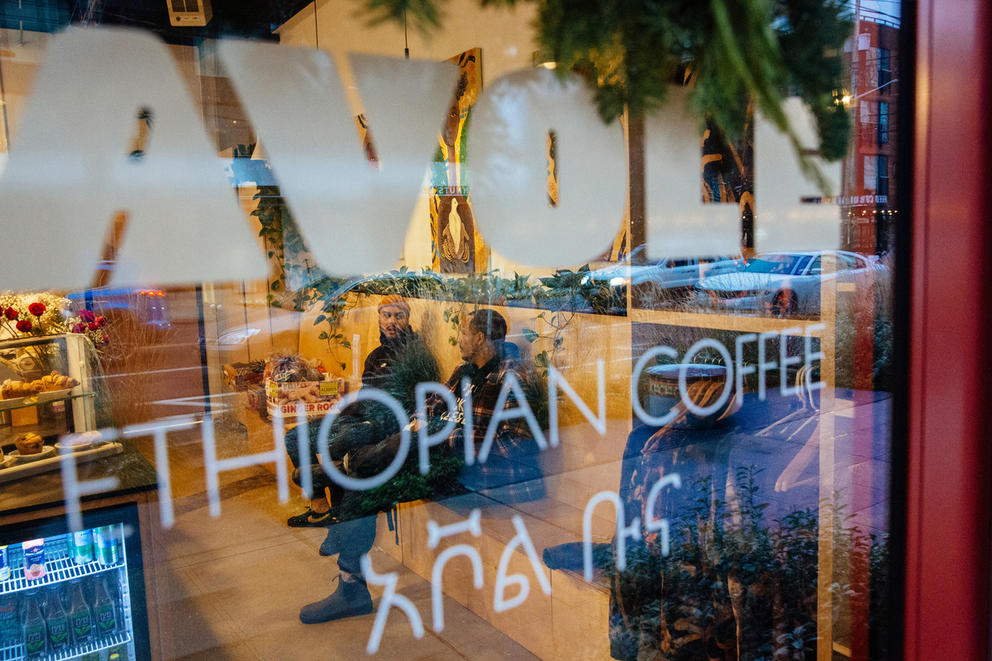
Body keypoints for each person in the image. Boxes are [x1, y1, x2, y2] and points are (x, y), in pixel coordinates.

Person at [299, 308, 546, 625]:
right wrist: (419, 424)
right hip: (444, 460)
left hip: (480, 476)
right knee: (381, 462)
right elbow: (432, 403)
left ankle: (350, 578)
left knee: (373, 478)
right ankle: (349, 476)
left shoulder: (512, 379)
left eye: (462, 332)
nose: (457, 339)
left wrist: (445, 435)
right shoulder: (465, 370)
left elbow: (515, 443)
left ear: (480, 338)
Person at [284, 294, 422, 528]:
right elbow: (367, 395)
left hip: (382, 428)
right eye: (386, 315)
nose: (391, 321)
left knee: (338, 441)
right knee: (295, 437)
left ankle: (341, 514)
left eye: (399, 316)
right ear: (378, 318)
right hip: (359, 418)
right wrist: (339, 408)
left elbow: (410, 406)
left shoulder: (415, 356)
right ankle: (320, 508)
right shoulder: (376, 355)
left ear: (408, 320)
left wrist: (365, 424)